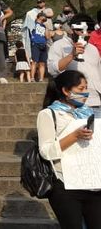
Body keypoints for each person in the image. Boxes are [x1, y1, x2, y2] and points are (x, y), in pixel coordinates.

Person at [37, 70, 101, 228]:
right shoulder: (49, 114)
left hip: (93, 182)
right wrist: (74, 136)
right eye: (80, 89)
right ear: (66, 90)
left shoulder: (90, 114)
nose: (85, 93)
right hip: (65, 183)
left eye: (86, 88)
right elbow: (46, 151)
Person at [48, 14, 101, 108]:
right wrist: (72, 55)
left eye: (89, 32)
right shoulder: (59, 45)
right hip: (74, 103)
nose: (86, 35)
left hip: (96, 100)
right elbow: (52, 70)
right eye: (82, 31)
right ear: (72, 30)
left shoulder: (93, 49)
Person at [30, 12, 50, 83]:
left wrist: (47, 28)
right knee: (34, 62)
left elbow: (47, 37)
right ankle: (32, 78)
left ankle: (41, 79)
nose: (45, 18)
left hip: (43, 45)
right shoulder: (33, 24)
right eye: (44, 16)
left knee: (42, 63)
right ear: (40, 16)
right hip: (35, 44)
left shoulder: (44, 26)